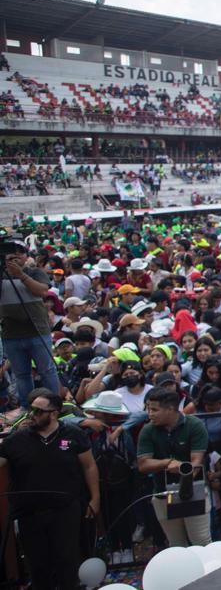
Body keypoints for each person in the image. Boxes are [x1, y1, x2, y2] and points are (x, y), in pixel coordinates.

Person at [0, 389, 100, 590]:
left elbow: (89, 466)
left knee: (67, 561)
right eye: (31, 409)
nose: (32, 415)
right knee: (38, 565)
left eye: (38, 411)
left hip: (66, 509)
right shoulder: (16, 439)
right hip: (29, 513)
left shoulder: (73, 435)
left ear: (54, 413)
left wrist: (95, 498)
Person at [137, 386, 212, 546]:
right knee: (176, 545)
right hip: (162, 493)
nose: (150, 414)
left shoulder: (194, 425)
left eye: (154, 410)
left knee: (201, 541)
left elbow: (195, 464)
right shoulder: (147, 430)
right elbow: (143, 464)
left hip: (193, 490)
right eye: (148, 409)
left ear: (171, 409)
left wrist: (182, 469)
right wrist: (168, 463)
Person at [0, 240, 62, 411]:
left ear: (26, 256)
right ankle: (27, 408)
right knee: (21, 374)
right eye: (11, 253)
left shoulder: (35, 272)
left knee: (47, 370)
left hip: (37, 331)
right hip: (12, 333)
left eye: (20, 253)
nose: (15, 256)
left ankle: (54, 406)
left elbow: (42, 291)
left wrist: (21, 275)